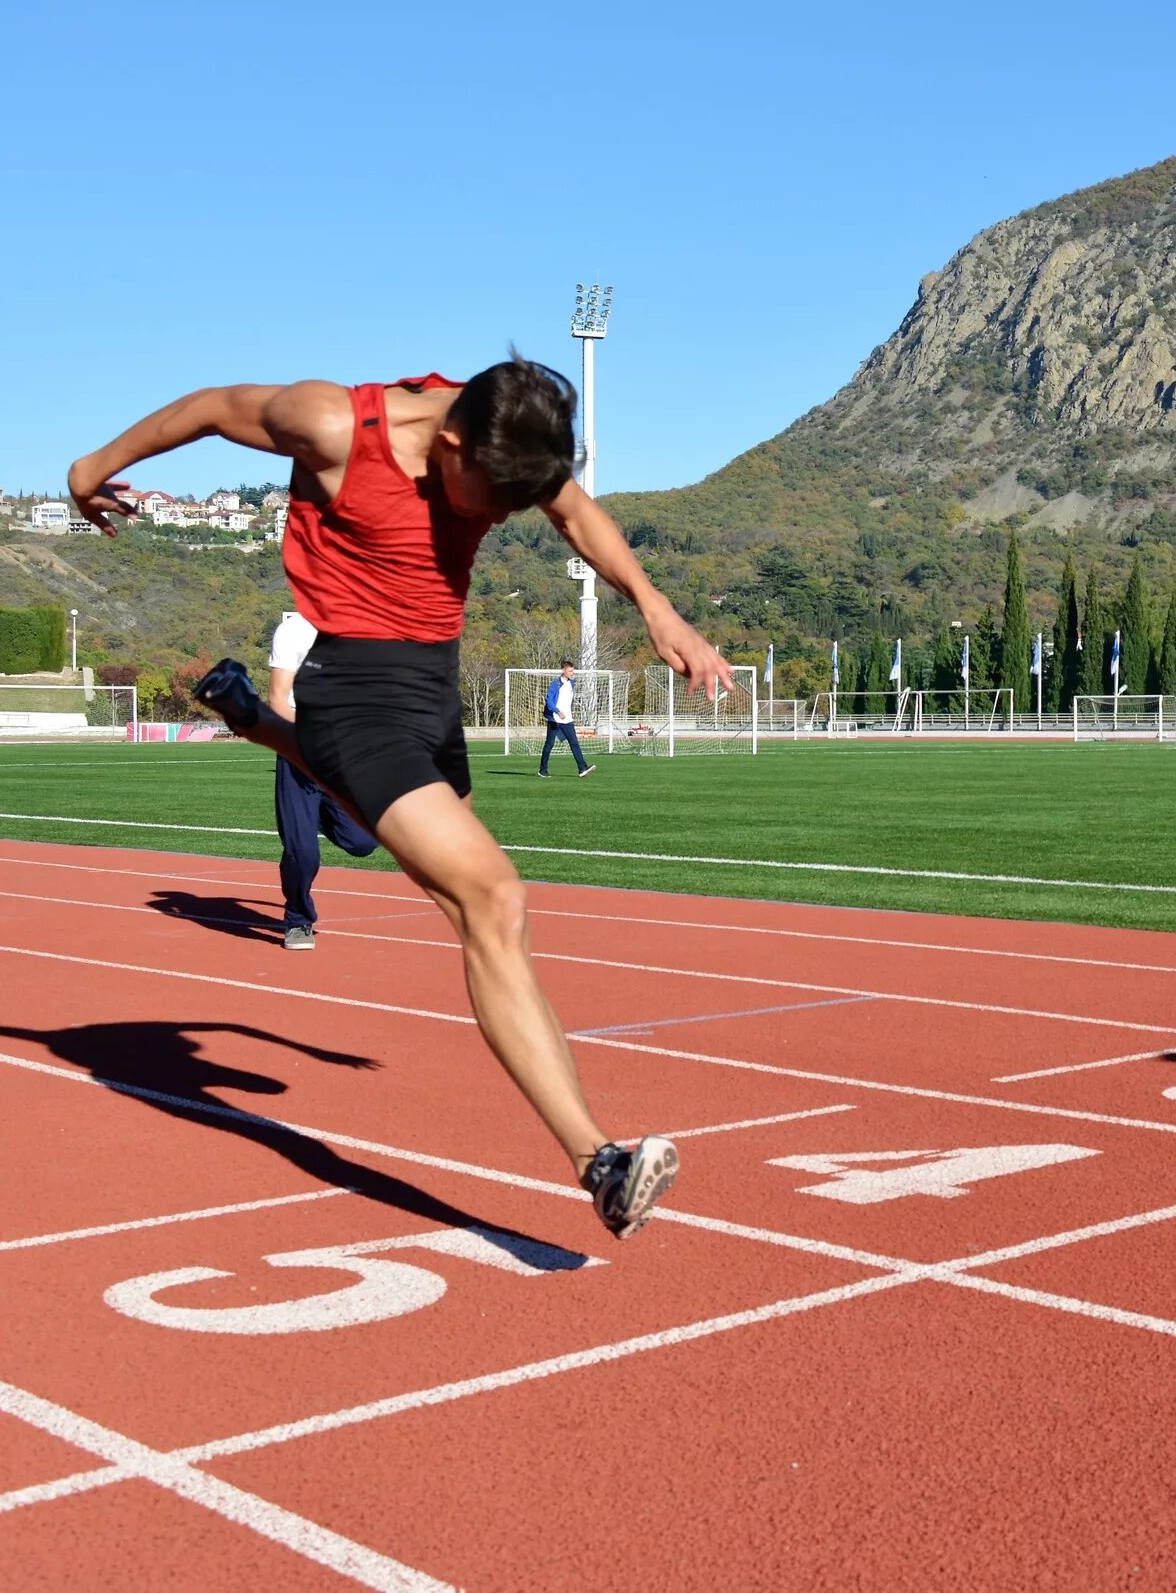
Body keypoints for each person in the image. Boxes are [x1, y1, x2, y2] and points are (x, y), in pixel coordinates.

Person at [68, 358, 733, 1238]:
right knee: (491, 897)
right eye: (490, 499)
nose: (497, 517)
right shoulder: (336, 428)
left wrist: (655, 607)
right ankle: (598, 1162)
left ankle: (257, 723)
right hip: (354, 687)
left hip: (432, 690)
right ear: (451, 441)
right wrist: (90, 468)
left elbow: (571, 509)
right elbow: (212, 407)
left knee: (465, 895)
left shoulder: (508, 434)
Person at [267, 609, 380, 951]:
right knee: (303, 852)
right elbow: (277, 700)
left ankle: (305, 819)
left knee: (363, 842)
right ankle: (299, 920)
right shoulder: (293, 632)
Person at [539, 660, 592, 777]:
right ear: (563, 671)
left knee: (574, 743)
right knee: (549, 744)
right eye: (569, 671)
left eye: (573, 671)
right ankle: (543, 770)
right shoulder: (555, 684)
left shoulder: (572, 682)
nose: (572, 673)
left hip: (567, 720)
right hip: (555, 720)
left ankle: (582, 768)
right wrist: (558, 712)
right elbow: (549, 702)